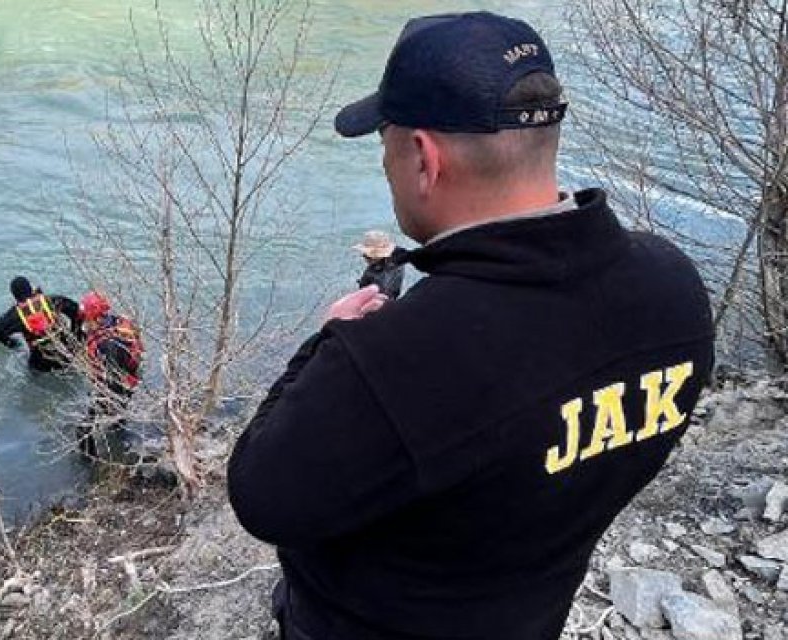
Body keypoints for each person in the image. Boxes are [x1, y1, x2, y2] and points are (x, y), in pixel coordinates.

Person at [227, 12, 715, 640]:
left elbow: (262, 494)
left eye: (384, 144)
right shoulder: (673, 290)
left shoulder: (397, 358)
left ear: (424, 158)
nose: (385, 165)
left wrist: (325, 344)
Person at [77, 291, 143, 457]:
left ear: (96, 318)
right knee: (118, 420)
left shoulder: (107, 344)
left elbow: (113, 381)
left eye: (87, 318)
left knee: (84, 429)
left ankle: (90, 464)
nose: (84, 321)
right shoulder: (117, 323)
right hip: (128, 380)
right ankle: (119, 434)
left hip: (117, 387)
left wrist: (102, 403)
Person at [0, 276, 83, 372]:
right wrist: (76, 334)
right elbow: (78, 312)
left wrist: (15, 345)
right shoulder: (52, 300)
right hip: (67, 354)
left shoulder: (15, 315)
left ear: (15, 297)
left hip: (40, 363)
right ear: (31, 289)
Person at [353, 230, 406, 298]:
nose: (364, 256)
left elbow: (382, 292)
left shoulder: (381, 273)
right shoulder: (397, 262)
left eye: (368, 256)